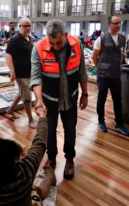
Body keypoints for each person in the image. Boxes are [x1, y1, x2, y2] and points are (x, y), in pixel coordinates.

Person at [30, 19, 88, 179]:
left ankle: (69, 159)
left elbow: (82, 71)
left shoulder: (76, 44)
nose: (55, 46)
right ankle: (51, 157)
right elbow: (35, 77)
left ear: (65, 35)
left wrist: (85, 94)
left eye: (59, 42)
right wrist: (39, 100)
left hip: (70, 97)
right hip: (49, 99)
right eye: (52, 43)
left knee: (70, 130)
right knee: (49, 131)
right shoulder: (38, 48)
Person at [0, 104, 56, 205]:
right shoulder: (25, 174)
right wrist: (42, 116)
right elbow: (40, 143)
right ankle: (50, 178)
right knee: (37, 192)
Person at [92, 15, 129, 136]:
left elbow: (121, 54)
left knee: (117, 100)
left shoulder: (123, 39)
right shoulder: (101, 39)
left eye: (120, 23)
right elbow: (94, 56)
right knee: (101, 99)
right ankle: (100, 121)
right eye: (115, 23)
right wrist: (100, 68)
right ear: (109, 24)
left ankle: (119, 124)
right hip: (103, 75)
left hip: (116, 76)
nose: (118, 25)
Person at [5, 18, 37, 128]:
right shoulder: (15, 40)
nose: (27, 28)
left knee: (22, 92)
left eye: (29, 26)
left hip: (29, 72)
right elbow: (8, 55)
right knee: (27, 96)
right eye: (25, 26)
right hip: (20, 73)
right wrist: (12, 71)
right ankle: (31, 120)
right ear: (20, 26)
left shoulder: (30, 38)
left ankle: (10, 109)